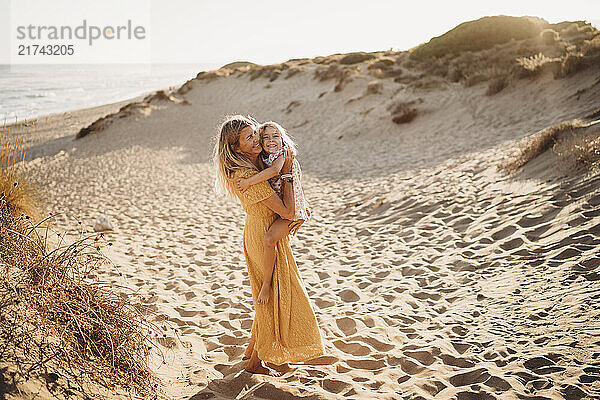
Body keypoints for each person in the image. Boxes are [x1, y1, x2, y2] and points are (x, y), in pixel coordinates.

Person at [213, 114, 324, 375]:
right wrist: (286, 176)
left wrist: (301, 212)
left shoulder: (260, 163)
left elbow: (292, 207)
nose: (258, 139)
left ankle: (251, 355)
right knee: (271, 295)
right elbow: (287, 210)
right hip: (261, 234)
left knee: (269, 296)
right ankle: (260, 360)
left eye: (256, 133)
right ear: (235, 148)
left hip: (267, 230)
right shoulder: (246, 174)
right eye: (250, 137)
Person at [236, 121, 311, 307]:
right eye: (265, 137)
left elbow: (276, 171)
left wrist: (249, 182)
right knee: (271, 243)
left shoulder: (282, 155)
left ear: (282, 138)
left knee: (269, 240)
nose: (270, 140)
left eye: (275, 136)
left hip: (291, 212)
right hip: (287, 209)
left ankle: (266, 284)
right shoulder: (266, 156)